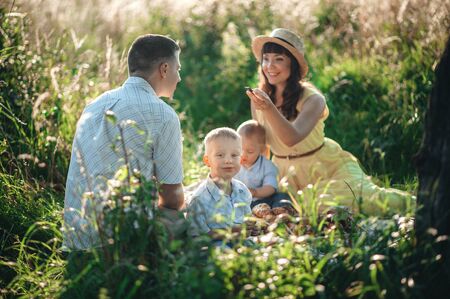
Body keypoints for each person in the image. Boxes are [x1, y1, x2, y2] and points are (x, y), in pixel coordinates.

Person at [245, 28, 413, 216]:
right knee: (292, 212)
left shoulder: (313, 99)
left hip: (324, 167)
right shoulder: (259, 98)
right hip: (284, 175)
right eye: (266, 58)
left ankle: (423, 204)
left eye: (279, 59)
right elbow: (262, 147)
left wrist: (269, 109)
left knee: (365, 198)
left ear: (293, 65)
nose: (270, 66)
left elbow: (292, 138)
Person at [63, 34, 184, 250]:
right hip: (122, 242)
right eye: (178, 69)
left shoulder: (94, 104)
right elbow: (172, 198)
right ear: (164, 69)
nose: (179, 78)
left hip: (76, 240)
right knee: (194, 217)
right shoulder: (164, 115)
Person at [185, 127, 252, 239]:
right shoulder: (199, 199)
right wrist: (232, 232)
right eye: (220, 155)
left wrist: (251, 227)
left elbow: (246, 219)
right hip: (217, 251)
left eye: (234, 155)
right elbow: (197, 236)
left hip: (245, 245)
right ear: (207, 161)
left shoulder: (242, 190)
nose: (228, 160)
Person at [234, 119, 293, 218]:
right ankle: (256, 216)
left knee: (282, 196)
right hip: (244, 203)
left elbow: (271, 188)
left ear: (261, 150)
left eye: (250, 151)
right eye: (240, 149)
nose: (243, 155)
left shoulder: (268, 166)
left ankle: (280, 212)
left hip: (265, 199)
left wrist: (255, 192)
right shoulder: (233, 164)